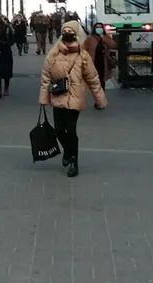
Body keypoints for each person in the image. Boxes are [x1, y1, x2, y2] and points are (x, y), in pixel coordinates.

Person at [39, 20, 108, 177]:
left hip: (75, 97)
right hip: (58, 95)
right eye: (65, 30)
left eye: (71, 31)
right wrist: (44, 98)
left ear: (76, 34)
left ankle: (73, 162)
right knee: (58, 130)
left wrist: (100, 99)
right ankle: (68, 152)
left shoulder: (83, 56)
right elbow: (46, 77)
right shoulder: (54, 53)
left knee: (70, 130)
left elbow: (93, 78)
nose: (67, 33)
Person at [82, 22, 118, 92]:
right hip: (93, 62)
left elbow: (114, 45)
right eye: (97, 27)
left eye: (100, 27)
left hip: (104, 63)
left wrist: (103, 38)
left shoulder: (106, 37)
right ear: (94, 29)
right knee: (95, 81)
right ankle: (98, 98)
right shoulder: (90, 38)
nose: (99, 29)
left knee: (102, 80)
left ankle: (101, 97)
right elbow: (84, 49)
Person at [0, 16, 15, 99]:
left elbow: (12, 41)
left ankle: (6, 88)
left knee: (6, 72)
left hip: (6, 53)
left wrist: (3, 43)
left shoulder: (7, 29)